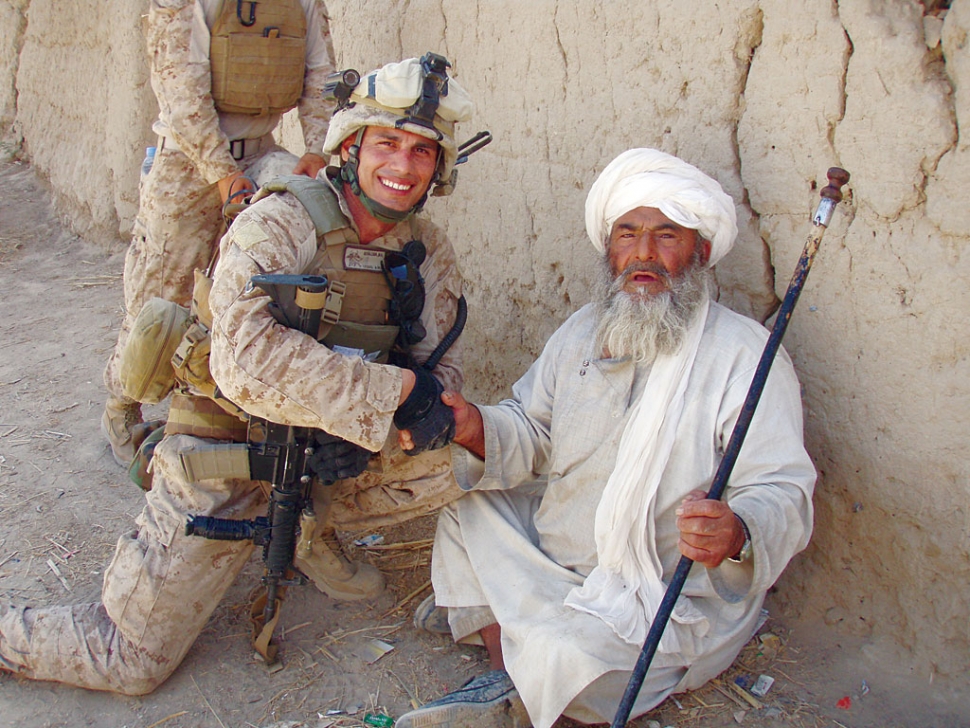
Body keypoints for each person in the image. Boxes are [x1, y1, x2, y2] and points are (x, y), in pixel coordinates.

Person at [0, 54, 477, 695]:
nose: (402, 167)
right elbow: (244, 358)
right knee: (130, 661)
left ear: (439, 169)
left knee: (476, 455)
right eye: (387, 144)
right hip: (230, 450)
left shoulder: (427, 250)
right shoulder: (282, 220)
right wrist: (390, 395)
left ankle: (311, 525)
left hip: (330, 451)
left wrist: (413, 414)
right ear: (351, 147)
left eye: (422, 152)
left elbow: (441, 366)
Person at [396, 148, 816, 728]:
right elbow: (533, 429)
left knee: (577, 660)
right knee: (466, 508)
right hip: (557, 552)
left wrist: (737, 530)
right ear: (609, 248)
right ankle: (510, 667)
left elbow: (782, 487)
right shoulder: (581, 332)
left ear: (700, 251)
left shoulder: (746, 357)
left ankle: (524, 677)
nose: (643, 254)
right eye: (628, 234)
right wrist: (475, 426)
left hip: (657, 592)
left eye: (666, 235)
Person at [101, 0, 337, 467]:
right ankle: (123, 403)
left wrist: (316, 151)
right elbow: (181, 91)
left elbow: (322, 80)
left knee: (275, 273)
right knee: (162, 293)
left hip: (261, 152)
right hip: (187, 162)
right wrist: (221, 174)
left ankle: (232, 411)